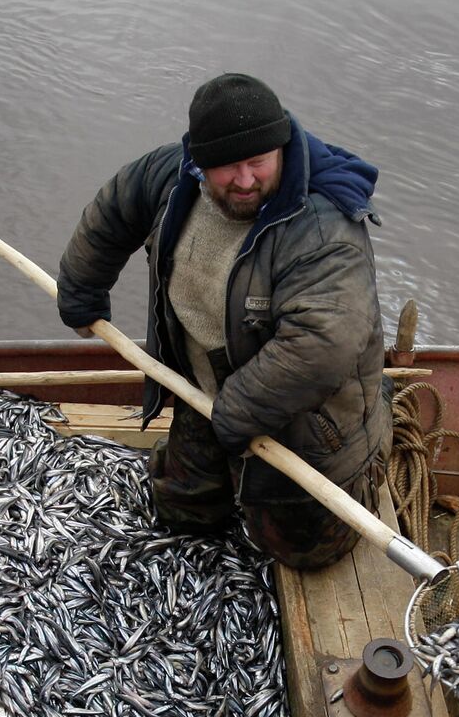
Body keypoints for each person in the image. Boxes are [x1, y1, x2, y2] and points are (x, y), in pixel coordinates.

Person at [56, 72, 389, 569]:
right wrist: (82, 294)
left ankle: (372, 444)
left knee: (304, 554)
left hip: (305, 420)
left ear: (281, 148)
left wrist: (232, 416)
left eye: (258, 162)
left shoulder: (322, 228)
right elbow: (113, 213)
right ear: (199, 162)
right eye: (228, 168)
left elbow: (322, 344)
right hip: (202, 392)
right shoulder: (170, 177)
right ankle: (217, 470)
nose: (246, 179)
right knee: (181, 514)